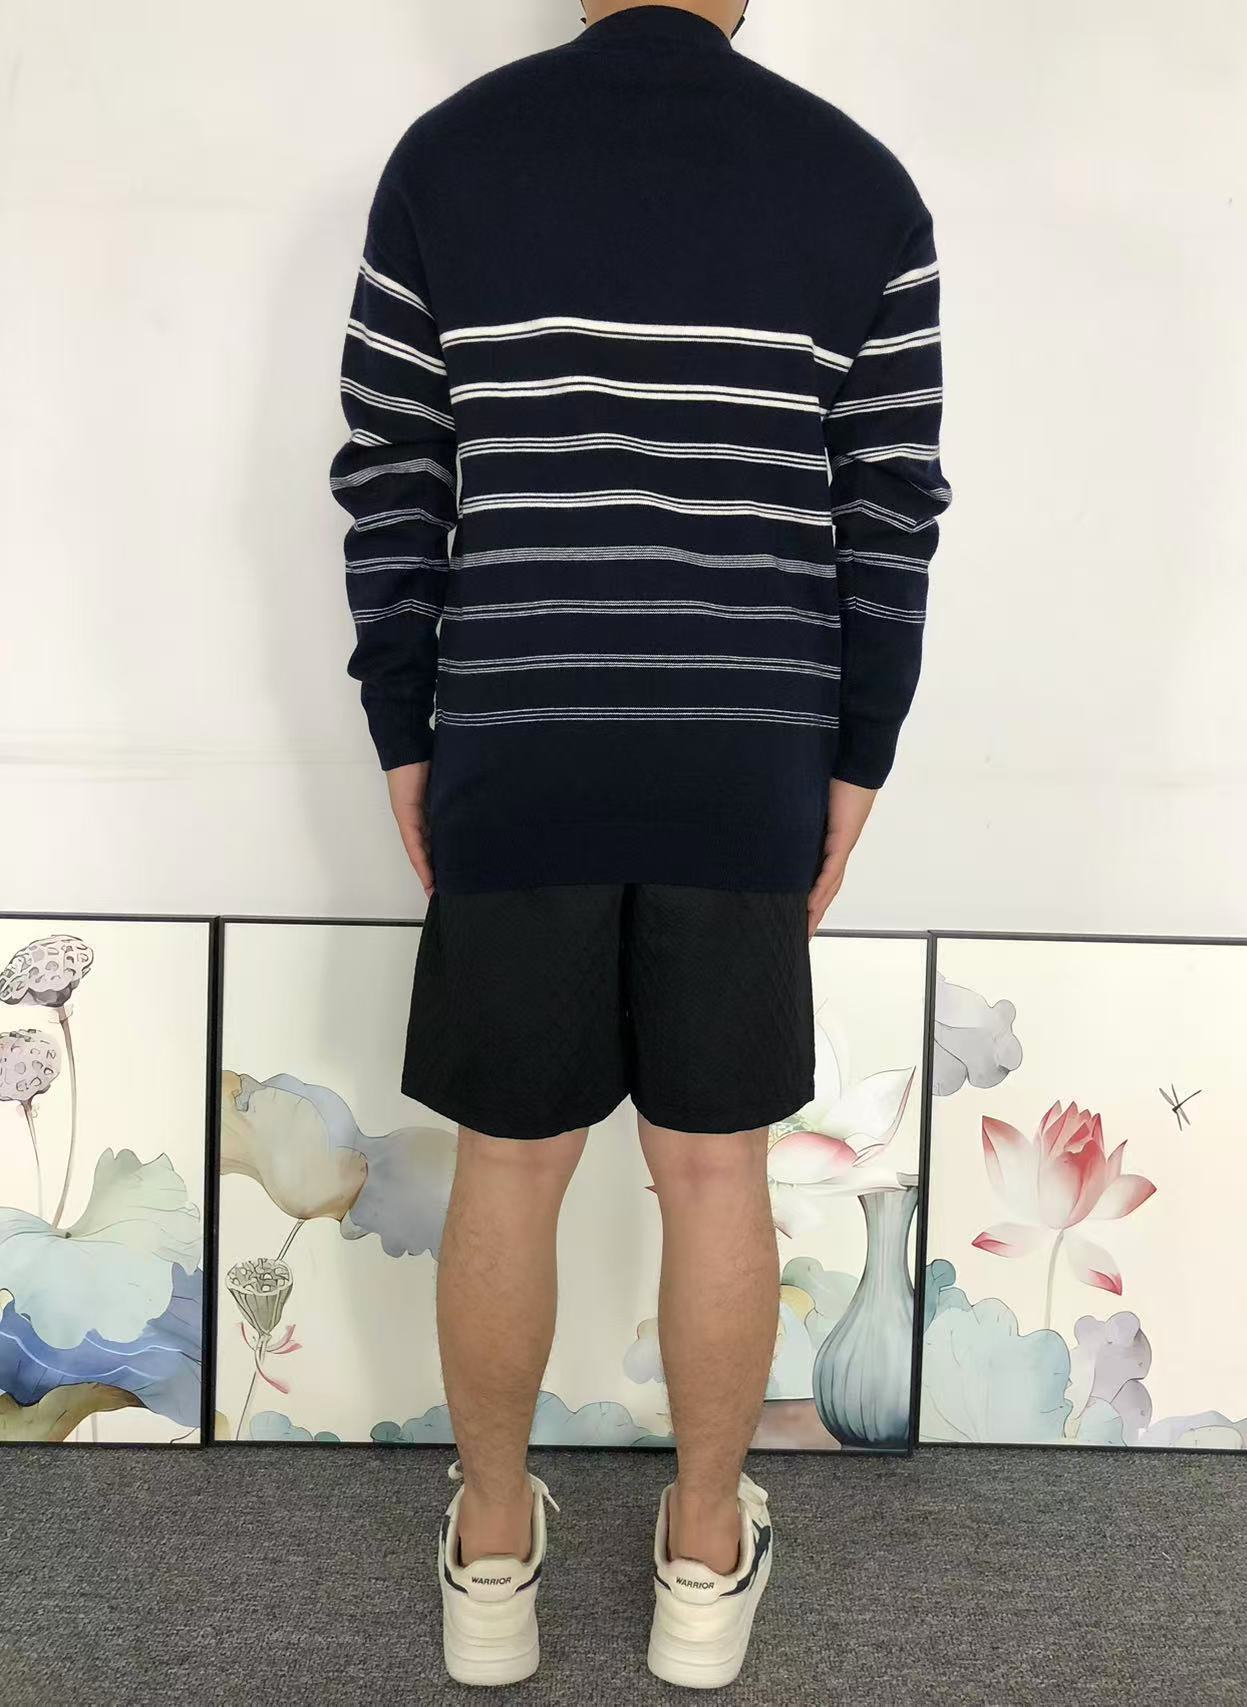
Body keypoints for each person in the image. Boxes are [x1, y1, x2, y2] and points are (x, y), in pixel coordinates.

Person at [329, 0, 950, 1687]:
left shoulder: (450, 158)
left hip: (516, 732)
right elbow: (889, 504)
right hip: (745, 745)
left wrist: (408, 724)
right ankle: (700, 1563)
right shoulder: (857, 182)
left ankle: (491, 1562)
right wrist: (858, 753)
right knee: (716, 1168)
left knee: (509, 1164)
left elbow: (394, 471)